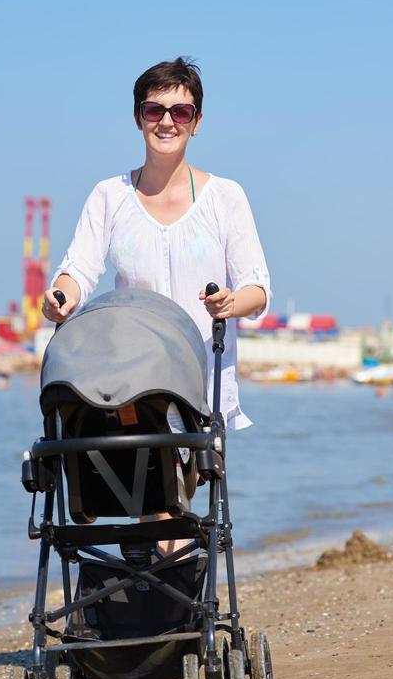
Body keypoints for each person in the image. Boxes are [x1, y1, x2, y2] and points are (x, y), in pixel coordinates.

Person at [42, 57, 271, 551]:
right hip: (130, 380)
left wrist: (231, 302)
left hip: (198, 386)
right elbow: (78, 269)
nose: (166, 121)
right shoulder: (110, 195)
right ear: (137, 117)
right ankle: (155, 602)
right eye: (154, 109)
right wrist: (60, 297)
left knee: (164, 506)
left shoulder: (225, 197)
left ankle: (161, 601)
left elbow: (258, 287)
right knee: (151, 503)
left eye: (181, 112)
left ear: (197, 122)